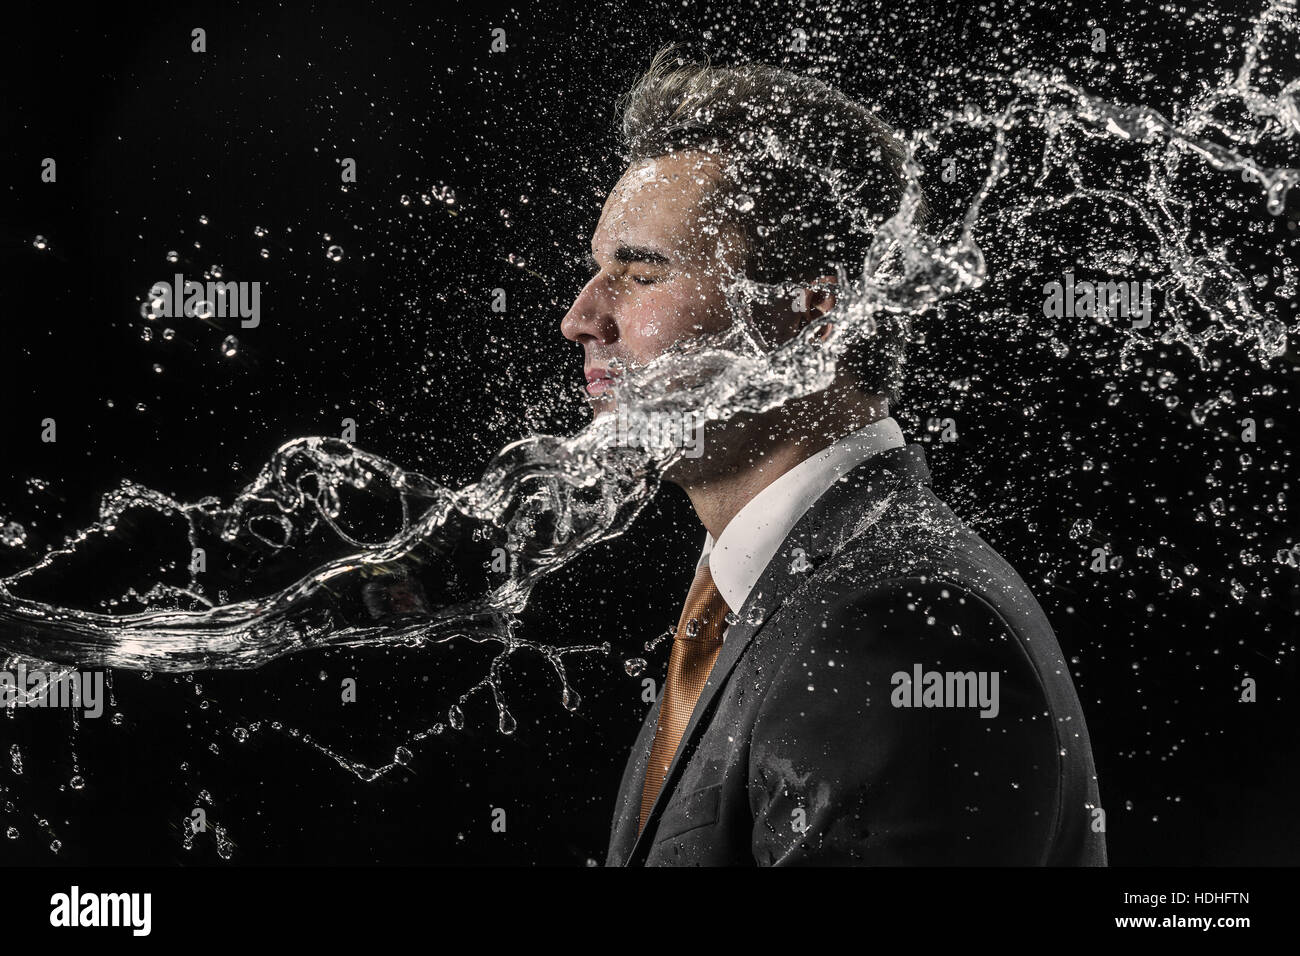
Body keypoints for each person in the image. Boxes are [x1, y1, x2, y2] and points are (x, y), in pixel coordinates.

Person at [560, 46, 1106, 866]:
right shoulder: (768, 604)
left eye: (639, 273)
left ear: (815, 314)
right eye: (597, 269)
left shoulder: (895, 628)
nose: (581, 318)